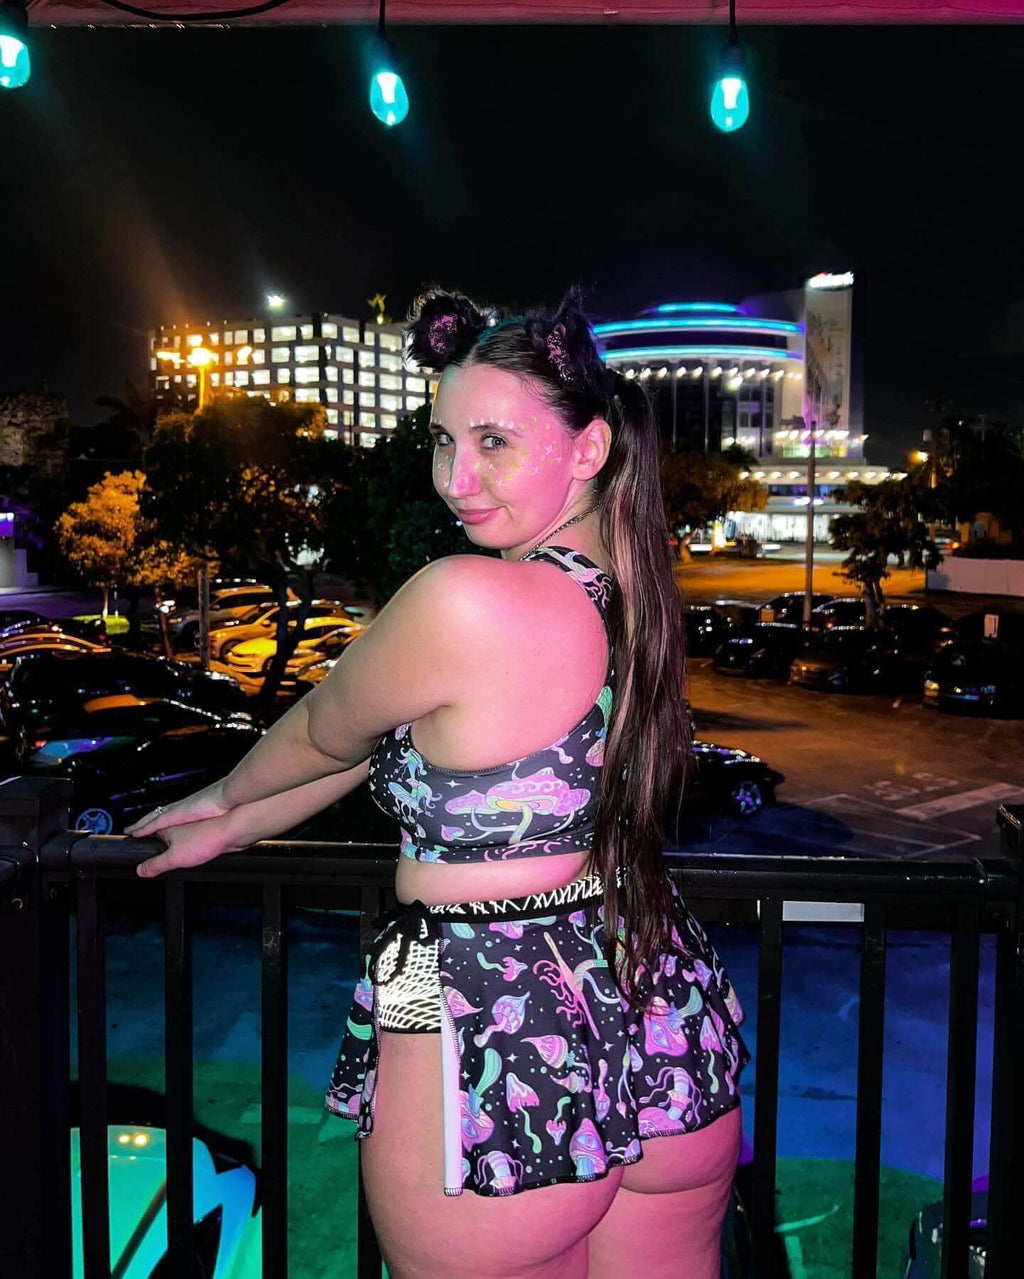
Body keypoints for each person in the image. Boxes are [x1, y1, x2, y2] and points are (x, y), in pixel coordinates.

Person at [125, 286, 749, 1279]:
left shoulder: (470, 597)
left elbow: (324, 729)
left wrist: (219, 795)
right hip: (654, 1002)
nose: (457, 479)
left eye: (493, 442)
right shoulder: (630, 591)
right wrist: (238, 827)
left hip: (494, 1022)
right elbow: (382, 758)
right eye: (441, 440)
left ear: (587, 450)